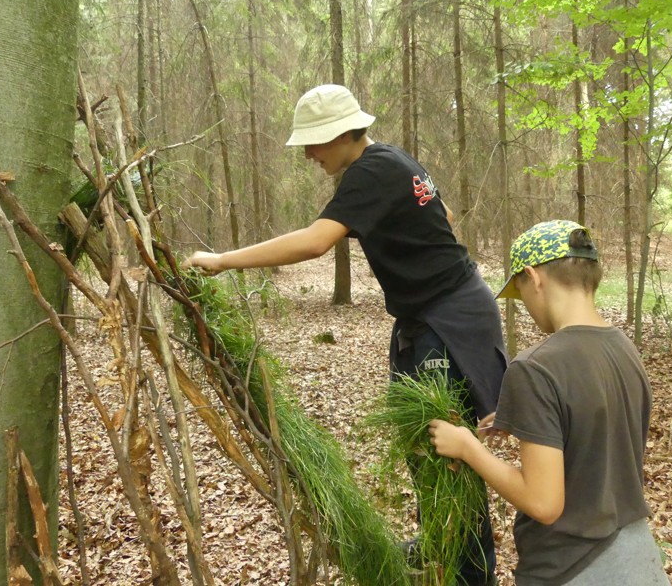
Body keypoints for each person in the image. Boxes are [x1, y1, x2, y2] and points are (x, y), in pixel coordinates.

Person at [182, 84, 507, 585]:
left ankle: (469, 572)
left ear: (340, 133)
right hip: (431, 315)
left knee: (447, 450)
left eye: (313, 142)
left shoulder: (372, 172)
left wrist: (224, 260)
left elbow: (314, 243)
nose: (309, 154)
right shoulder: (391, 161)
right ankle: (441, 542)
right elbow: (431, 225)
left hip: (448, 320)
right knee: (424, 443)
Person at [428, 220, 671, 585]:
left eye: (520, 291)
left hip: (570, 567)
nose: (524, 303)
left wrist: (467, 448)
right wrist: (527, 417)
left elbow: (544, 503)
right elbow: (595, 422)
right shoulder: (624, 348)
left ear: (534, 277)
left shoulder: (535, 367)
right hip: (637, 558)